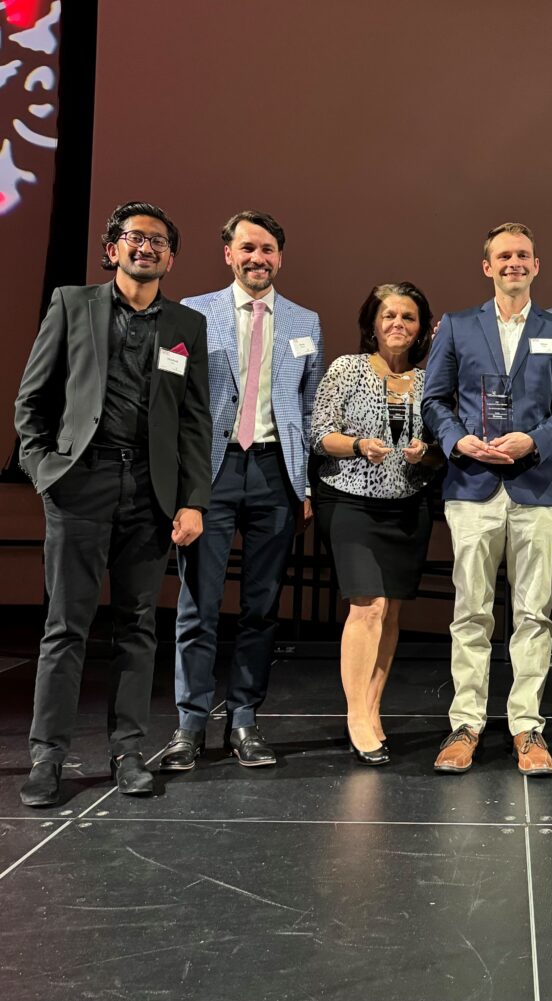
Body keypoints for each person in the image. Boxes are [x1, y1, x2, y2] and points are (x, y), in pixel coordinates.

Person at [14, 201, 211, 806]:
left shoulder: (185, 326)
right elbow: (33, 401)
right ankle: (48, 756)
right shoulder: (73, 304)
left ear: (171, 258)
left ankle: (128, 751)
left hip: (150, 496)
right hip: (80, 485)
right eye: (134, 238)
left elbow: (195, 424)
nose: (145, 247)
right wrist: (46, 472)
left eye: (157, 241)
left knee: (137, 628)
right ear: (113, 248)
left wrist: (192, 500)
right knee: (65, 628)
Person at [160, 210, 323, 772]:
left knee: (260, 607)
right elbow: (175, 401)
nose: (258, 258)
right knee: (198, 604)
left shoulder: (306, 321)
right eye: (247, 248)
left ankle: (245, 720)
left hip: (276, 474)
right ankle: (188, 725)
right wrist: (184, 485)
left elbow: (307, 409)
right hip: (213, 473)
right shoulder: (193, 314)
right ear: (228, 253)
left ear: (281, 256)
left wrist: (303, 485)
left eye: (269, 249)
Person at [422, 222, 552, 776]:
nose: (514, 263)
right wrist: (455, 440)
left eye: (523, 255)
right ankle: (466, 723)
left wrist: (535, 440)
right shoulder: (458, 326)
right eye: (503, 256)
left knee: (534, 614)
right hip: (472, 487)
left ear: (536, 266)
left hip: (536, 488)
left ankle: (527, 728)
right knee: (470, 611)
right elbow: (435, 400)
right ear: (486, 266)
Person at [311, 282, 442, 765]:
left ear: (422, 328)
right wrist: (359, 445)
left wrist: (425, 453)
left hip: (408, 505)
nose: (397, 325)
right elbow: (319, 434)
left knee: (391, 614)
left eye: (408, 317)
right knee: (368, 606)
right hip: (351, 503)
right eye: (388, 316)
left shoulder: (430, 382)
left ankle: (372, 708)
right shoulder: (346, 369)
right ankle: (356, 718)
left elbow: (441, 446)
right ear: (372, 323)